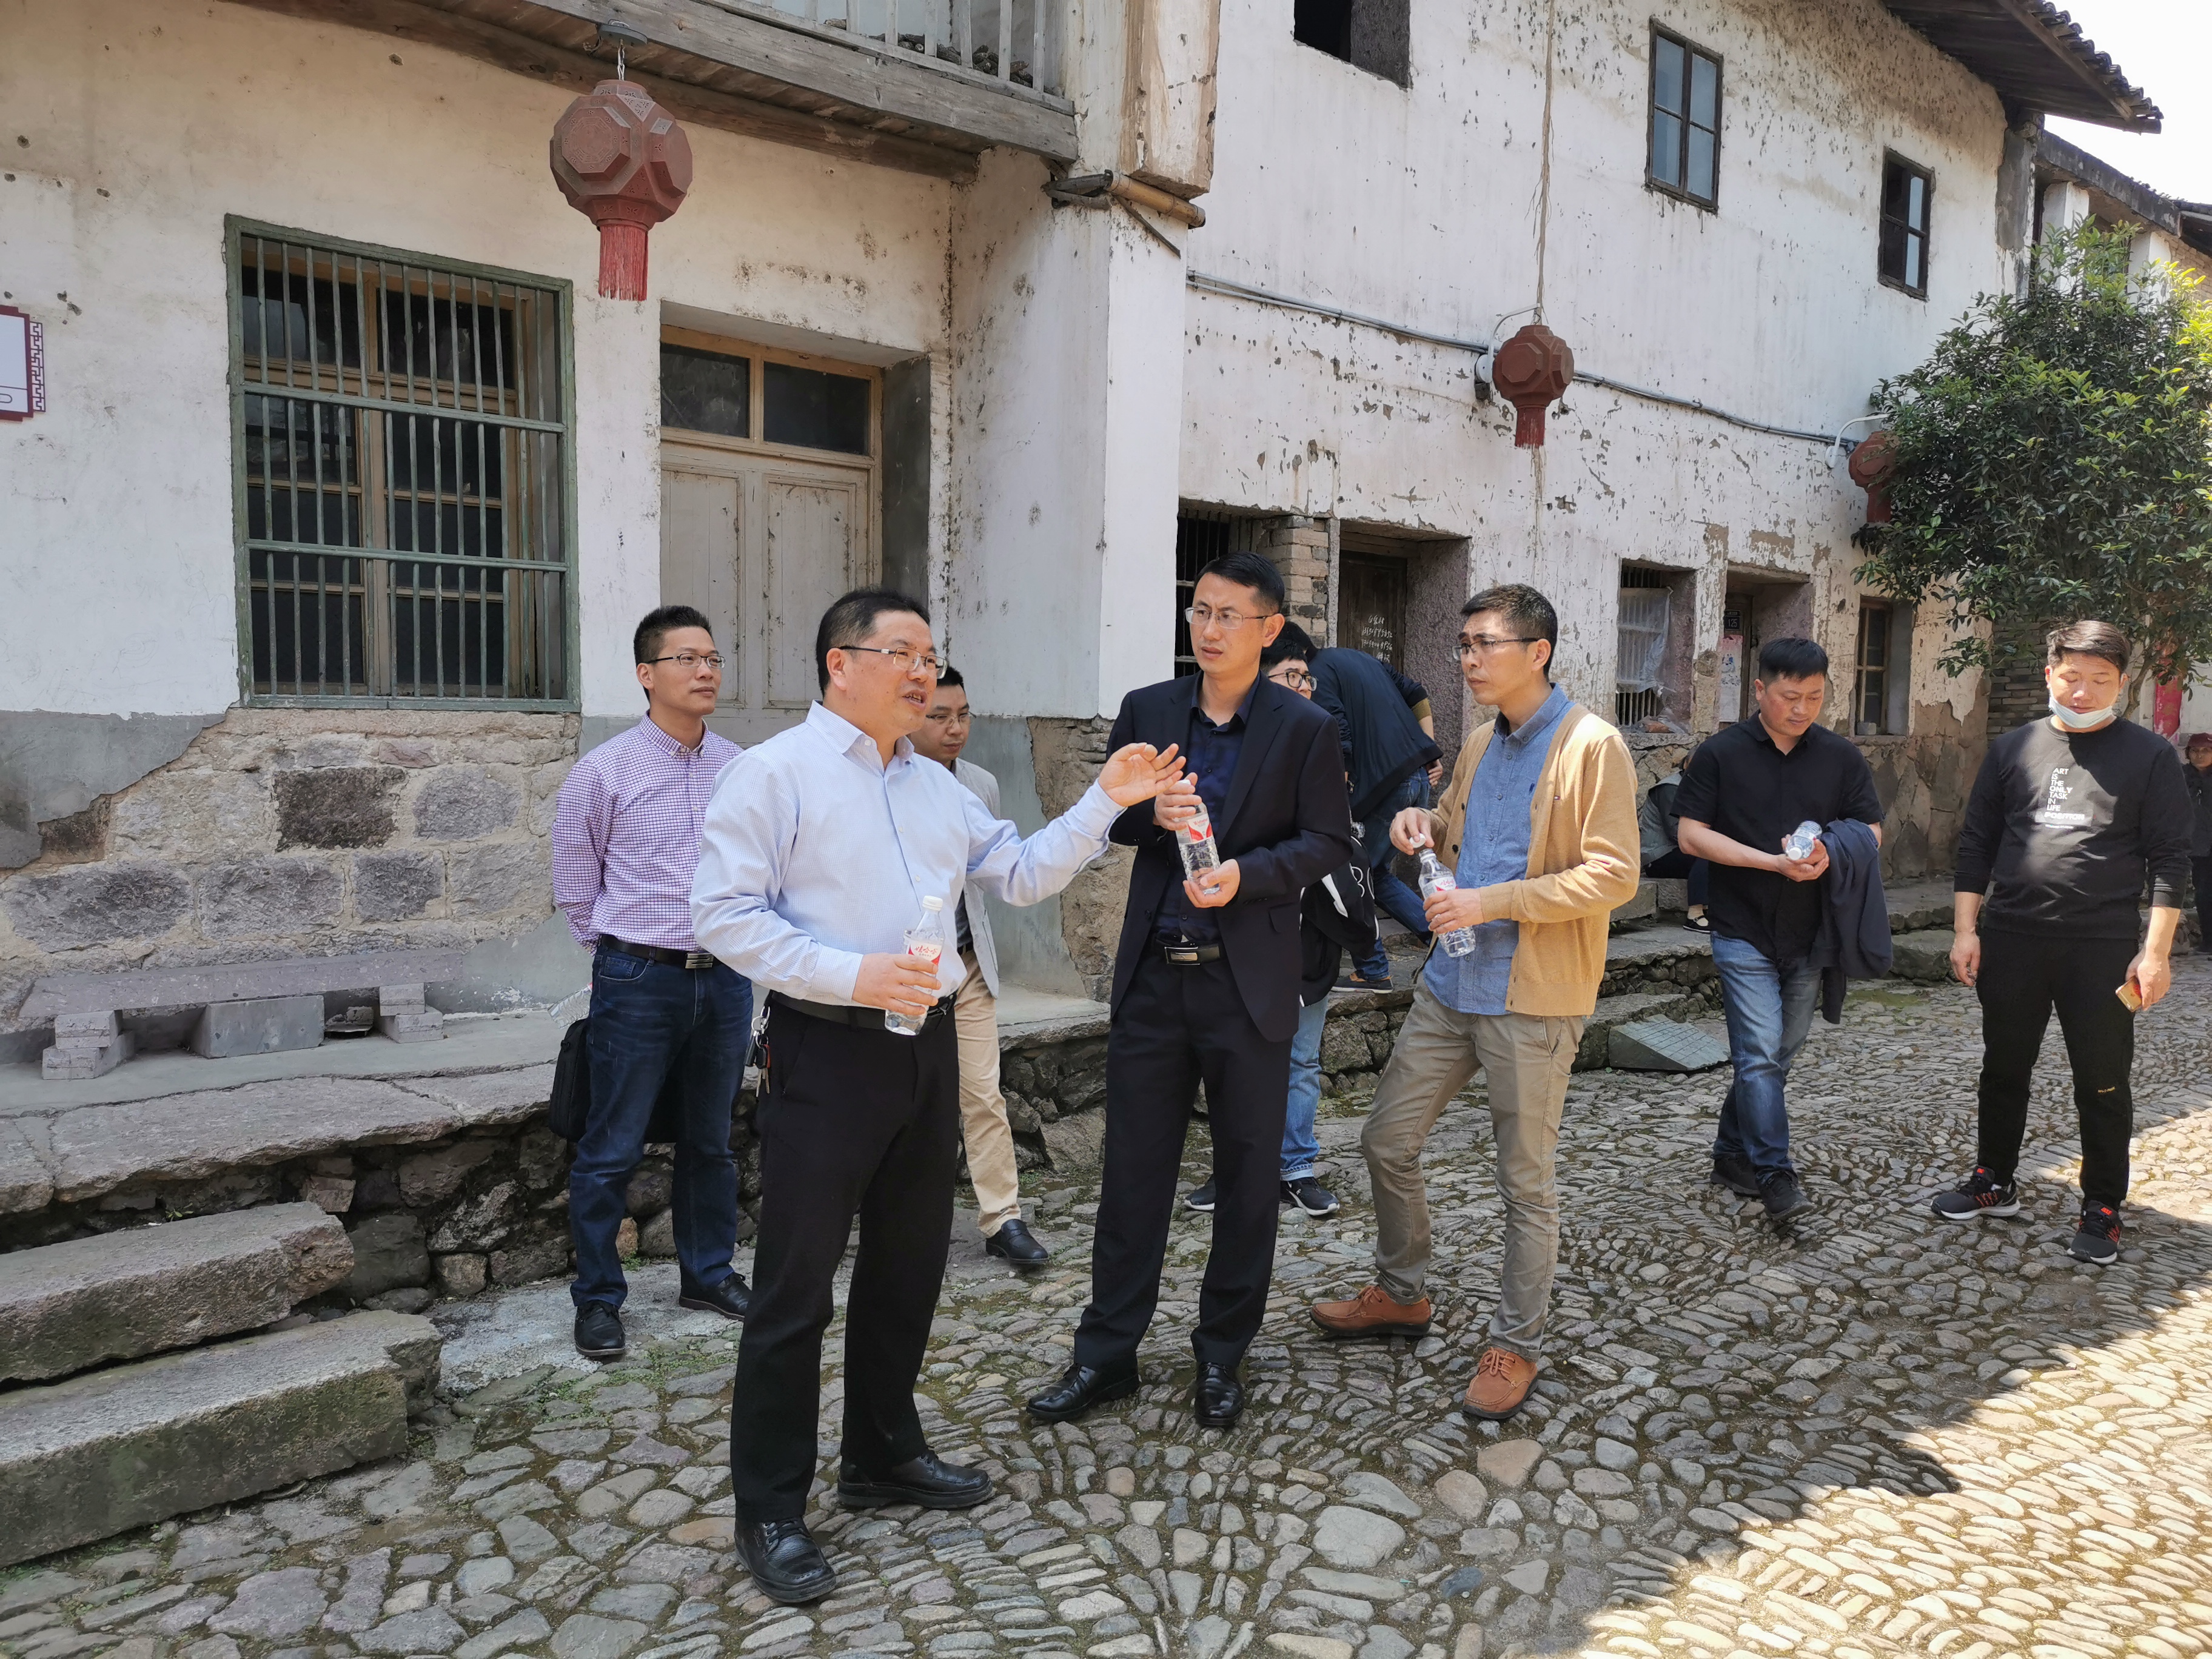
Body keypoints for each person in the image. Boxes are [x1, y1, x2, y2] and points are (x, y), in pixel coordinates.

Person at [690, 588, 1181, 1606]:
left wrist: (1105, 798)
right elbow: (723, 916)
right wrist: (852, 974)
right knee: (794, 1288)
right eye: (903, 654)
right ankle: (770, 1507)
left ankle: (882, 1452)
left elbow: (1021, 874)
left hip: (926, 1049)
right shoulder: (773, 773)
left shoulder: (938, 787)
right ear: (840, 663)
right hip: (826, 1051)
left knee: (908, 1266)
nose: (925, 673)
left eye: (931, 655)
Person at [1027, 552, 1357, 1432]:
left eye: (1228, 615)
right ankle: (1106, 1355)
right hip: (1153, 978)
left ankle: (1221, 1354)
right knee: (1132, 1177)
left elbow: (1329, 841)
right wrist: (1152, 815)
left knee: (1248, 1179)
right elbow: (1115, 816)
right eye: (1199, 610)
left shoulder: (1303, 728)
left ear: (1269, 629)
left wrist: (1247, 875)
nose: (1208, 629)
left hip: (1246, 984)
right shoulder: (1150, 709)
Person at [1310, 583, 1638, 1423]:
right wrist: (1418, 825)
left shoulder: (1593, 746)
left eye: (1484, 644)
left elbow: (1614, 876)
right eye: (1462, 645)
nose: (1467, 660)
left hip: (1534, 997)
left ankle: (1515, 1343)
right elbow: (1452, 825)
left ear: (1539, 652)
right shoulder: (1483, 742)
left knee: (1524, 1183)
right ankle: (1402, 1293)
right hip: (1452, 986)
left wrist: (1488, 902)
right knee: (1387, 1139)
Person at [1934, 622, 2192, 1264]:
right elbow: (1977, 844)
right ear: (2050, 674)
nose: (2083, 692)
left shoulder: (2149, 756)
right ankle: (1994, 1178)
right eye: (2072, 677)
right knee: (2003, 1068)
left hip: (2101, 947)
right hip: (2012, 938)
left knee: (2102, 1081)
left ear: (2121, 683)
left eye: (2100, 680)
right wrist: (1966, 930)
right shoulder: (2013, 748)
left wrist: (2155, 952)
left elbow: (2169, 858)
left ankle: (2102, 1205)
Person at [550, 606, 752, 1362]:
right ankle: (599, 1299)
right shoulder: (603, 772)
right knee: (611, 1145)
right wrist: (622, 957)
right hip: (638, 978)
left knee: (712, 1141)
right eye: (687, 659)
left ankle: (709, 1275)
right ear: (647, 674)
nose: (706, 672)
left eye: (713, 659)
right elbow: (576, 887)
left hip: (725, 978)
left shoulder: (740, 768)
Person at [1674, 636, 1883, 1222]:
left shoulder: (1840, 757)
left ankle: (1729, 1152)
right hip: (1741, 925)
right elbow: (1690, 835)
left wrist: (1830, 851)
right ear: (1760, 689)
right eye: (1790, 696)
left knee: (1777, 1054)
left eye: (1814, 697)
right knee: (1761, 1055)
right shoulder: (1721, 753)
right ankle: (1775, 1173)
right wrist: (1770, 862)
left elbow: (1871, 829)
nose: (1802, 708)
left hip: (1813, 930)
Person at [1182, 621, 1376, 1222]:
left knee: (1301, 1060)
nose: (1302, 687)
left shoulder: (1320, 744)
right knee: (1233, 1060)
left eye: (1306, 678)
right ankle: (1236, 1169)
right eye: (1289, 676)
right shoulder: (1229, 758)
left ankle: (1295, 1167)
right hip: (1239, 936)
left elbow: (1331, 844)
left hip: (1308, 935)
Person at [907, 665, 1053, 1269]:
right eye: (939, 716)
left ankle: (1003, 1218)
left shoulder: (980, 785)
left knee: (984, 1096)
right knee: (903, 1101)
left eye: (963, 715)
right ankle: (902, 1219)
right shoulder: (883, 783)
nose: (955, 728)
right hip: (905, 972)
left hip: (967, 966)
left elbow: (994, 875)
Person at [1311, 643, 1444, 990]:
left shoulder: (1317, 672)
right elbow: (1418, 694)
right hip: (1416, 776)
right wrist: (1427, 750)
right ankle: (1441, 942)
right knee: (1375, 873)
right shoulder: (1362, 660)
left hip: (1386, 786)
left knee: (1352, 872)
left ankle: (1373, 970)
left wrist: (1333, 800)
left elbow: (1339, 734)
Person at [1638, 768, 1711, 932]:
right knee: (1709, 854)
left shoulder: (1700, 788)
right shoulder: (1669, 788)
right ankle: (1695, 915)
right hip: (1659, 857)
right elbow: (1677, 833)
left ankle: (1713, 911)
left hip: (1681, 851)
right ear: (1688, 765)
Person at [2185, 731, 2212, 953]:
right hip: (2199, 845)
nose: (2200, 755)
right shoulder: (2180, 776)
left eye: (2206, 751)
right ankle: (2209, 941)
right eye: (2195, 751)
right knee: (2204, 893)